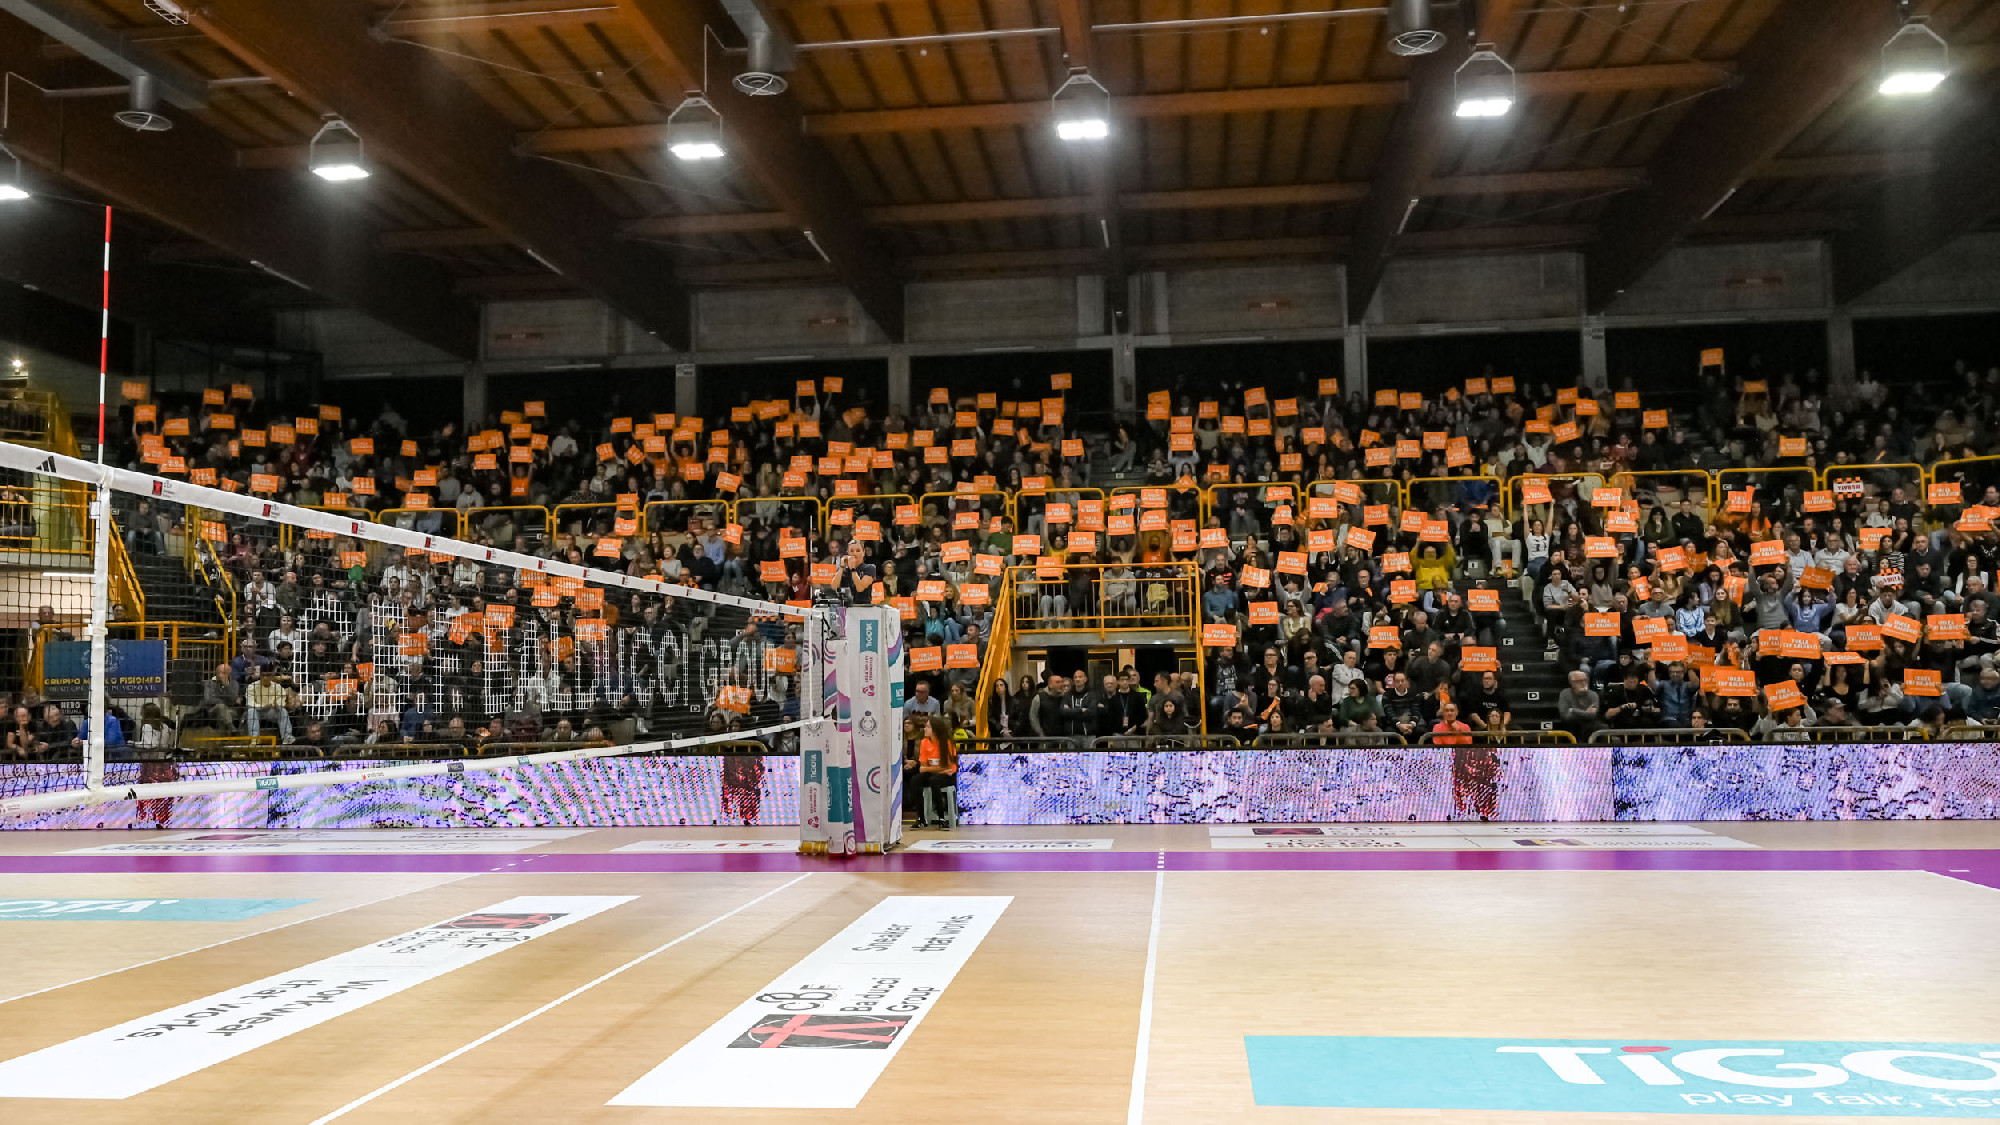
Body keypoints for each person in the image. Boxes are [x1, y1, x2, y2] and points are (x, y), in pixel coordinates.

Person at [912, 716, 958, 828]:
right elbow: (922, 768)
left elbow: (948, 766)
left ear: (936, 729)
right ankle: (921, 818)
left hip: (948, 775)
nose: (925, 729)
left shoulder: (947, 743)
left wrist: (932, 768)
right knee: (915, 780)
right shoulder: (924, 742)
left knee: (934, 781)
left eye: (928, 727)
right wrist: (938, 768)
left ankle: (941, 817)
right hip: (936, 773)